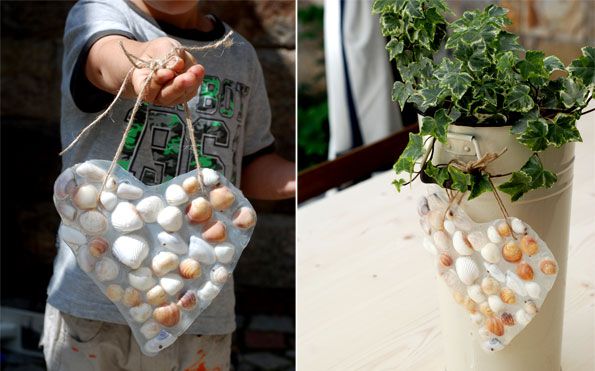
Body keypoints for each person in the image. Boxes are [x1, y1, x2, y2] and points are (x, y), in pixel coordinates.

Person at [42, 0, 295, 370]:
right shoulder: (100, 13)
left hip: (197, 314)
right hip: (95, 311)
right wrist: (147, 61)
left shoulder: (239, 54)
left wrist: (299, 179)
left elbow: (251, 164)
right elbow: (104, 60)